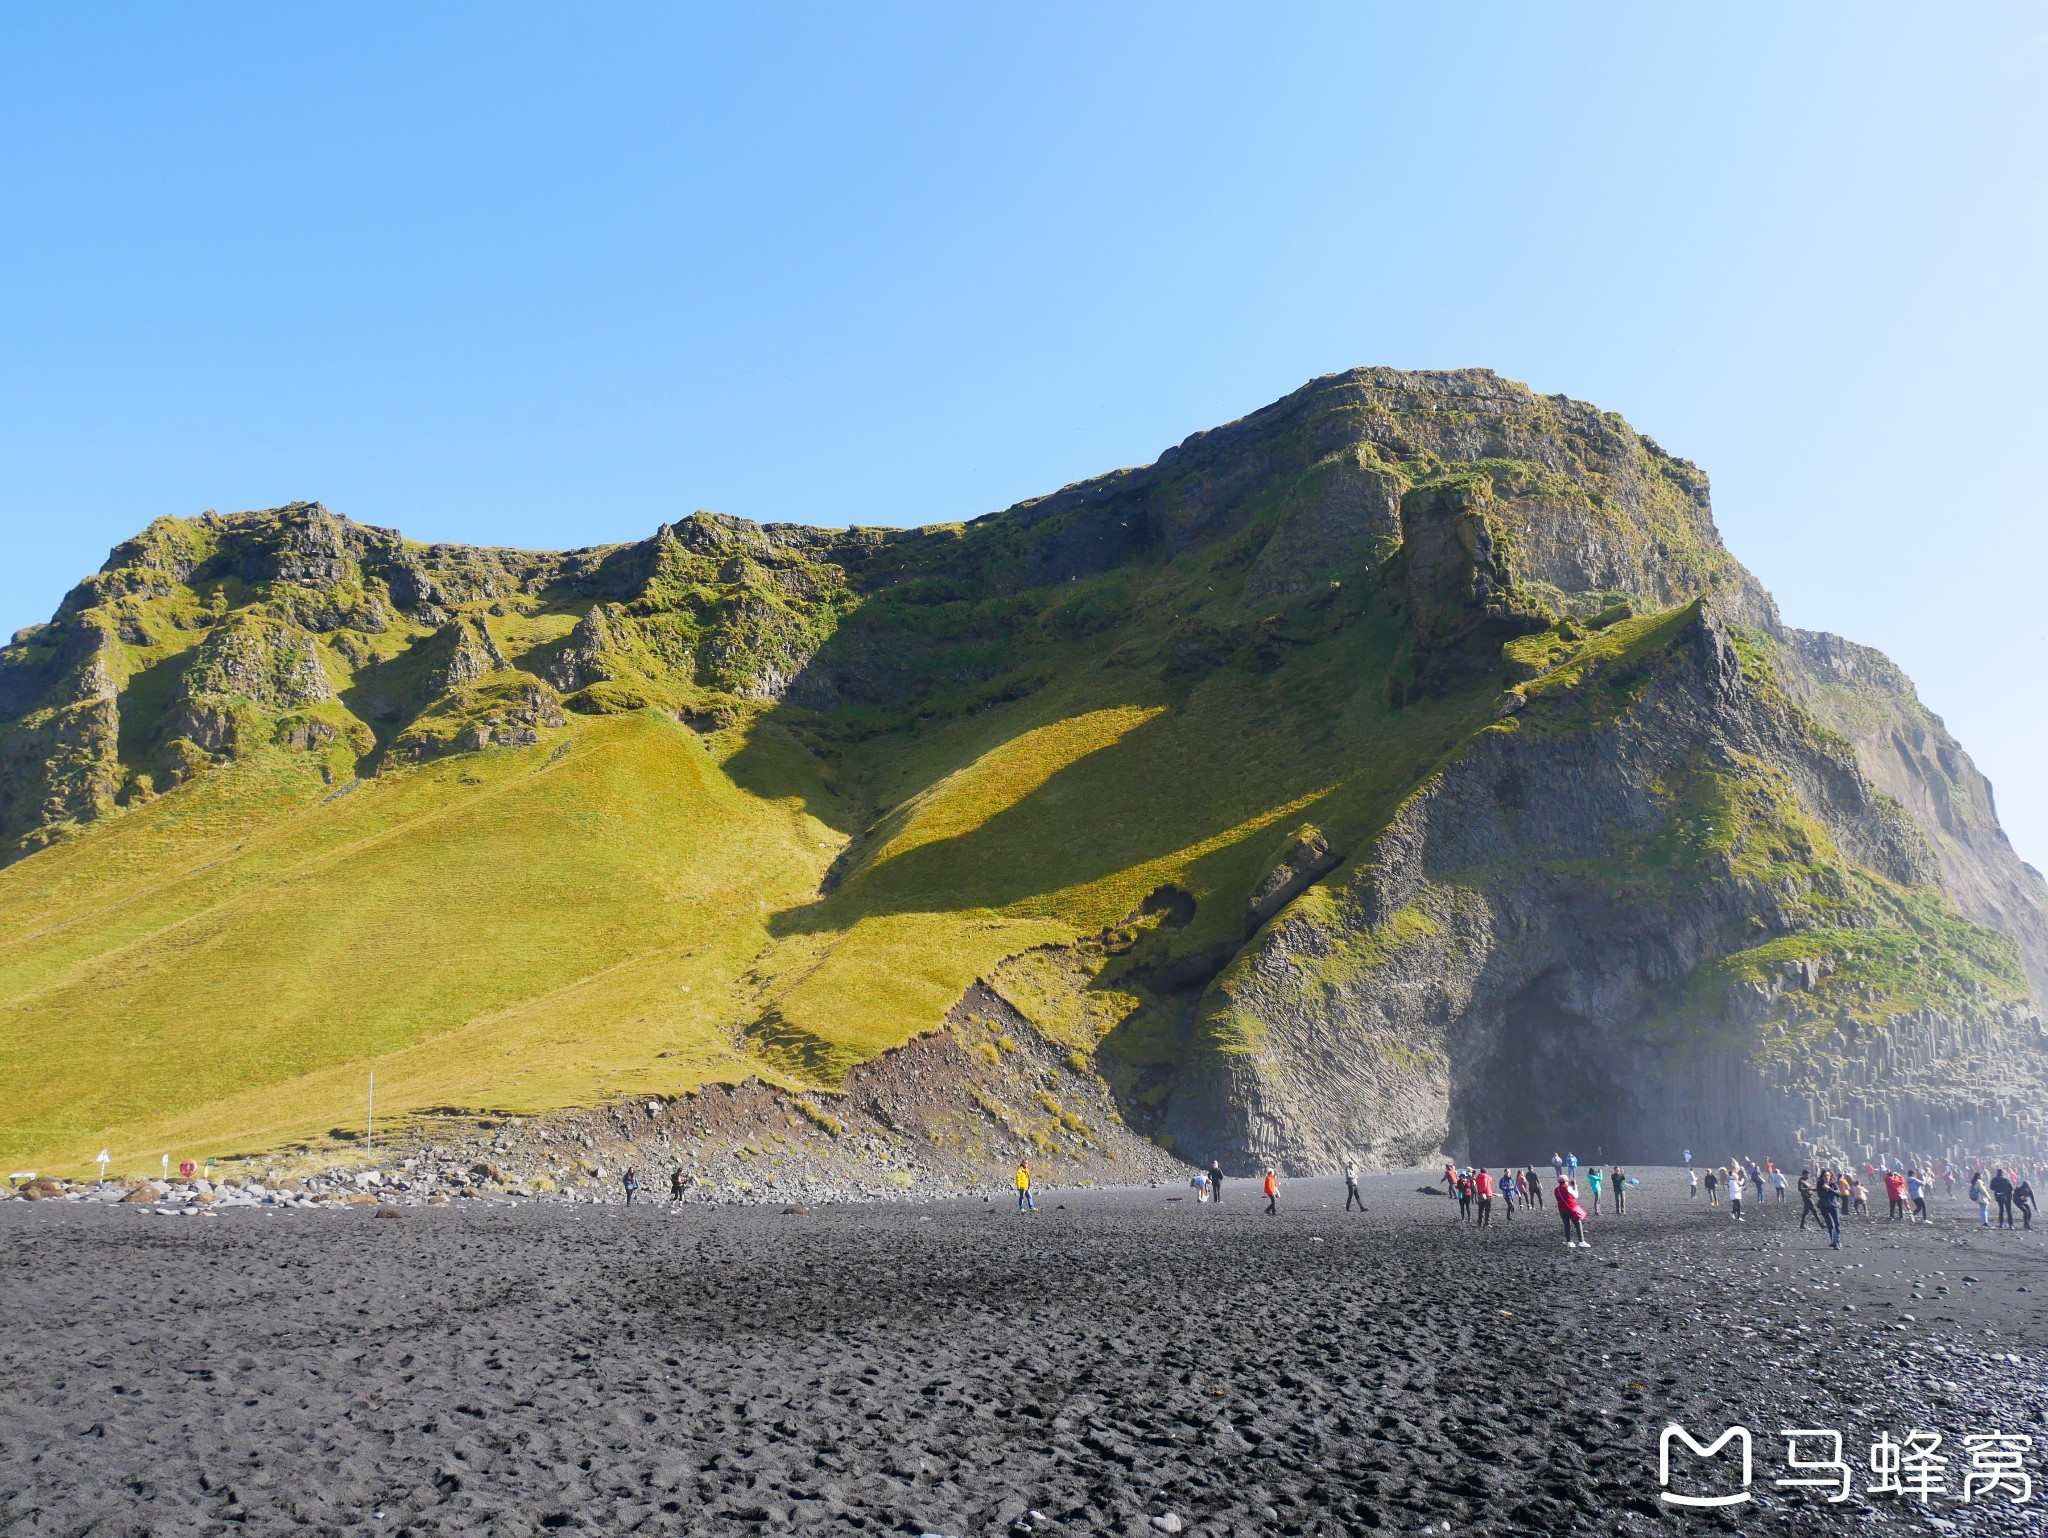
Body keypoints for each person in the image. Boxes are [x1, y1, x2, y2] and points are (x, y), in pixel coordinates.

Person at [1555, 1173, 1589, 1249]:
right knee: (1578, 1224)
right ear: (1566, 1181)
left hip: (1562, 1210)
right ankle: (1581, 1241)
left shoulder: (1556, 1190)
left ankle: (1569, 1242)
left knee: (1567, 1225)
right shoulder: (1568, 1188)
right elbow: (1576, 1196)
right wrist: (1575, 1188)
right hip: (1571, 1208)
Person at [1817, 1168, 1843, 1249]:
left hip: (1833, 1206)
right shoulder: (1819, 1184)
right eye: (1824, 1175)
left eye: (1827, 1175)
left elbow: (1838, 1195)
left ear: (1830, 1176)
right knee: (1830, 1224)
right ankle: (1834, 1242)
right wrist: (1830, 1192)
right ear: (1822, 1176)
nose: (1826, 1177)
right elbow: (1820, 1195)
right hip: (1824, 1206)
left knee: (1837, 1224)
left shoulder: (1833, 1184)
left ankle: (1837, 1241)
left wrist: (1829, 1189)